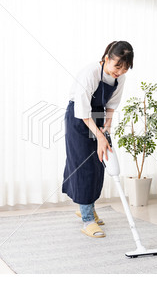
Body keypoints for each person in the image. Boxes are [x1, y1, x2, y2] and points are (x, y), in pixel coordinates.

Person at [62, 41, 134, 238]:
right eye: (117, 66)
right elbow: (82, 110)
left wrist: (107, 128)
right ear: (106, 59)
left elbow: (111, 105)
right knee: (83, 166)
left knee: (98, 163)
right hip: (79, 117)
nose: (120, 71)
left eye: (125, 68)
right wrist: (99, 135)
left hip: (99, 116)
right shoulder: (91, 73)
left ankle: (88, 208)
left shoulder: (120, 79)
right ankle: (87, 219)